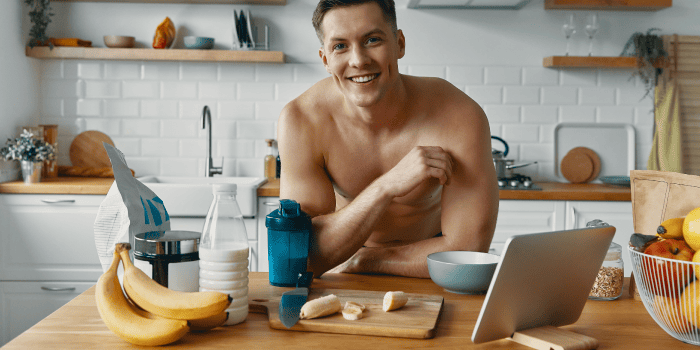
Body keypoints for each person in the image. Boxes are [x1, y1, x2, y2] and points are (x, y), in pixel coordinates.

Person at [276, 0, 499, 278]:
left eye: (372, 40)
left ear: (399, 43)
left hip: (429, 271)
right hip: (345, 270)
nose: (358, 60)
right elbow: (300, 252)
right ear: (325, 59)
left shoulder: (459, 116)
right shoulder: (302, 120)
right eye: (340, 46)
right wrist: (387, 186)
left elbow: (466, 250)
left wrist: (366, 260)